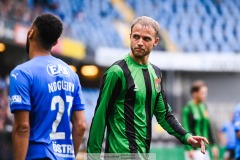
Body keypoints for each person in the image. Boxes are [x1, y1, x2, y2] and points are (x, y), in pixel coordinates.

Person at [87, 16, 209, 159]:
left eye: (146, 39)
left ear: (155, 41)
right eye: (136, 37)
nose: (139, 42)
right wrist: (92, 157)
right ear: (130, 37)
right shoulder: (117, 72)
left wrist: (187, 136)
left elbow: (164, 115)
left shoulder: (155, 74)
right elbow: (100, 116)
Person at [9, 13, 86, 160]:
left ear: (31, 32)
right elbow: (81, 125)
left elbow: (22, 128)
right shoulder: (71, 74)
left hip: (37, 155)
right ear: (56, 42)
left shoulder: (22, 73)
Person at [182, 80, 219, 160]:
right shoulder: (188, 108)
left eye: (206, 93)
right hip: (194, 150)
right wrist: (189, 149)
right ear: (194, 93)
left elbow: (209, 127)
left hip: (205, 149)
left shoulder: (204, 106)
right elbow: (185, 129)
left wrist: (213, 145)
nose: (205, 95)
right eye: (202, 93)